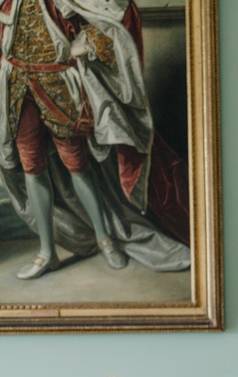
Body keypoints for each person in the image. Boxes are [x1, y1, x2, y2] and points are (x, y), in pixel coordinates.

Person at [0, 0, 190, 280]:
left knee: (76, 165)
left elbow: (112, 14)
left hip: (59, 84)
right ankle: (47, 252)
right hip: (17, 84)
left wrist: (83, 44)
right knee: (31, 166)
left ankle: (105, 240)